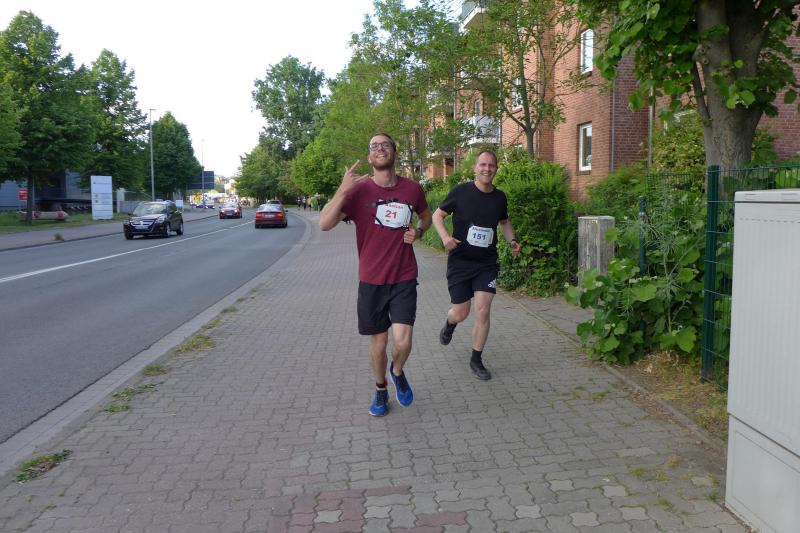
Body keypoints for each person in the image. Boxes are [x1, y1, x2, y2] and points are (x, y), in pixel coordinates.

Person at [319, 133, 432, 416]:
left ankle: (397, 371)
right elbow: (324, 224)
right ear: (370, 157)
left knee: (403, 341)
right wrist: (342, 190)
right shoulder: (358, 192)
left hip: (404, 275)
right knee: (379, 343)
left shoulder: (412, 189)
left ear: (395, 152)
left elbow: (426, 216)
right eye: (374, 146)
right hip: (371, 280)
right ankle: (381, 390)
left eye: (385, 145)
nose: (380, 148)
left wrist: (418, 231)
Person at [431, 150, 521, 381]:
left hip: (486, 263)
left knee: (483, 309)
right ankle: (450, 323)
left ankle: (476, 360)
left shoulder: (499, 197)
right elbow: (437, 216)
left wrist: (512, 241)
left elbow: (504, 221)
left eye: (491, 165)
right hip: (460, 262)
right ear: (475, 167)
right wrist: (445, 238)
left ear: (496, 169)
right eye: (483, 164)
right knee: (461, 312)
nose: (487, 169)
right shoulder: (461, 192)